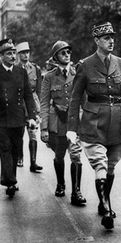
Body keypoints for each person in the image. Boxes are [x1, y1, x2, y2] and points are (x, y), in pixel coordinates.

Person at [66, 22, 121, 229]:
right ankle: (106, 207)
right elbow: (75, 99)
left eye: (112, 37)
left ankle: (104, 202)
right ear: (96, 41)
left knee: (110, 165)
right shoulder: (85, 65)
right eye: (106, 38)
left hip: (119, 123)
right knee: (99, 164)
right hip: (94, 123)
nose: (111, 41)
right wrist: (72, 128)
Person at [39, 40, 86, 206]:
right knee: (59, 155)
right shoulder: (49, 77)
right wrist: (44, 128)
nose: (67, 55)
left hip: (74, 122)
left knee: (75, 155)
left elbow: (84, 100)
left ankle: (76, 191)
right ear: (56, 57)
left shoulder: (78, 74)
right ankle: (60, 184)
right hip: (58, 122)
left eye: (68, 52)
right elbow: (44, 103)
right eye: (63, 53)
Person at [0, 38, 37, 197]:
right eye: (9, 54)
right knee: (5, 148)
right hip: (1, 119)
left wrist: (32, 117)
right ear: (1, 56)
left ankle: (10, 178)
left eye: (14, 53)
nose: (13, 56)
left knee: (15, 149)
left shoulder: (20, 72)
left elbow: (28, 96)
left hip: (18, 119)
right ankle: (10, 181)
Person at [15, 41, 43, 172]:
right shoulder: (14, 68)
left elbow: (39, 90)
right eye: (22, 53)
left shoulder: (35, 69)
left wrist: (39, 109)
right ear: (18, 54)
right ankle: (20, 157)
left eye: (27, 53)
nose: (25, 55)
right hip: (18, 105)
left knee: (33, 134)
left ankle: (33, 162)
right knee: (19, 134)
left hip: (32, 104)